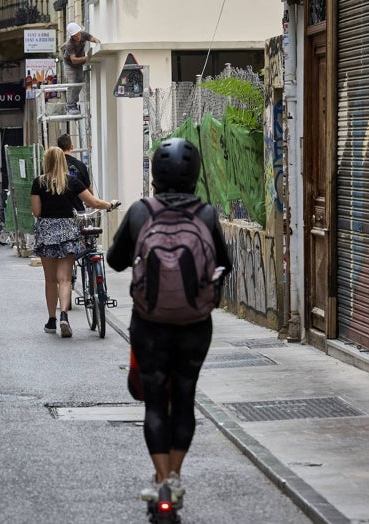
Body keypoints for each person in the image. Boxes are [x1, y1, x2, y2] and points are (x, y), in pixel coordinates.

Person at [106, 138, 232, 506]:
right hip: (195, 323)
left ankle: (161, 479)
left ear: (155, 174)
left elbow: (115, 261)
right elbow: (225, 263)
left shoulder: (140, 211)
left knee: (156, 402)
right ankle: (175, 477)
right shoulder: (206, 214)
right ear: (194, 174)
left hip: (149, 322)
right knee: (186, 397)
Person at [32, 146, 119, 338]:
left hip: (47, 232)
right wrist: (110, 204)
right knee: (64, 279)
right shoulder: (72, 181)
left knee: (50, 280)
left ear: (45, 162)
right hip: (68, 232)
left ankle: (51, 320)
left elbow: (36, 212)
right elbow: (94, 203)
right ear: (63, 161)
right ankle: (64, 315)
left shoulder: (38, 183)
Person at [62, 22, 101, 116]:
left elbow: (92, 38)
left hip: (79, 64)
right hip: (70, 65)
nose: (78, 37)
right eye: (75, 36)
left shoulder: (83, 34)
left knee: (79, 82)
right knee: (73, 84)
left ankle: (74, 103)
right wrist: (85, 58)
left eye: (78, 35)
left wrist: (98, 43)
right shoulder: (70, 44)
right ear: (72, 36)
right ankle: (70, 106)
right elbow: (74, 60)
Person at [57, 133, 93, 211]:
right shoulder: (80, 166)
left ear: (58, 149)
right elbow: (89, 190)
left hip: (55, 213)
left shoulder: (51, 167)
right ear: (72, 147)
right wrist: (89, 202)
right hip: (77, 211)